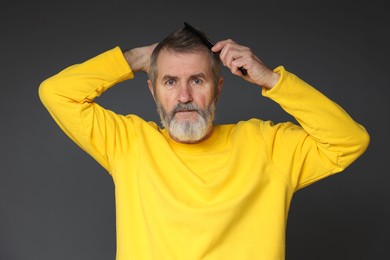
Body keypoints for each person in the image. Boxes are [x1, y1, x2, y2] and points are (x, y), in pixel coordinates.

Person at [39, 24, 370, 259]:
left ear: (219, 87)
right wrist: (139, 58)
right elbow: (55, 93)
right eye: (170, 81)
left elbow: (349, 141)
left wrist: (271, 80)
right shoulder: (129, 144)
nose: (184, 96)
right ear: (153, 90)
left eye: (197, 80)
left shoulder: (265, 145)